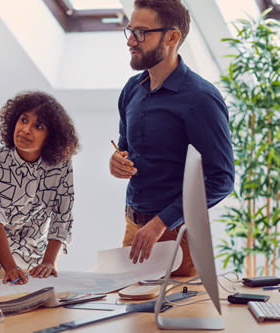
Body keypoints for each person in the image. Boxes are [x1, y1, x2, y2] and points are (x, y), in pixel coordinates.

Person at [109, 0, 234, 276]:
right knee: (129, 318)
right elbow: (125, 148)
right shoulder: (132, 89)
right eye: (129, 31)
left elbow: (221, 179)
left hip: (179, 236)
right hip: (134, 230)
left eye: (141, 33)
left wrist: (161, 222)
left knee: (180, 318)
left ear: (172, 37)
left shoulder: (201, 99)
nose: (130, 41)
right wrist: (116, 161)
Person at [0, 91, 79, 285]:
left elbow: (63, 213)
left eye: (38, 126)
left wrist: (49, 261)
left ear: (50, 136)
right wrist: (10, 268)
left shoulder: (61, 165)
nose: (26, 129)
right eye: (23, 120)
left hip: (32, 237)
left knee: (34, 283)